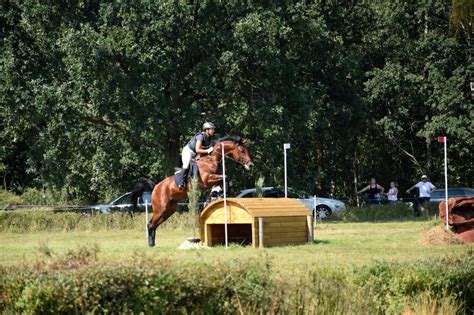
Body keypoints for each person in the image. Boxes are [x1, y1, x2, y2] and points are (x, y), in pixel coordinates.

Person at [179, 122, 216, 189]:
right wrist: (207, 150)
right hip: (188, 151)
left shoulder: (209, 138)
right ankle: (181, 182)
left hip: (195, 154)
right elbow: (197, 150)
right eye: (212, 129)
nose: (213, 130)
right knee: (186, 164)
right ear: (207, 130)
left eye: (213, 129)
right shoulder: (200, 136)